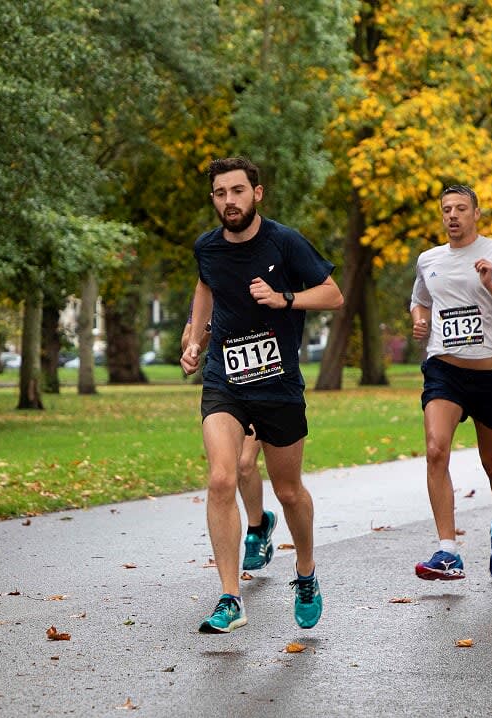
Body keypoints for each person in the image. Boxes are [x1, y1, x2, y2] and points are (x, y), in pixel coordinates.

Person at [181, 156, 343, 633]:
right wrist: (194, 341)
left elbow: (332, 294)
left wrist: (284, 299)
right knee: (220, 479)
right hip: (224, 381)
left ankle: (307, 573)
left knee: (289, 491)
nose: (228, 201)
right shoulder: (207, 248)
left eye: (237, 191)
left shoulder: (284, 242)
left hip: (278, 384)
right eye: (219, 193)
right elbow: (204, 297)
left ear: (257, 193)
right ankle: (230, 597)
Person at [409, 184, 492, 582]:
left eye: (460, 208)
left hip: (490, 375)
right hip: (444, 371)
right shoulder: (428, 259)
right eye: (446, 209)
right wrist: (419, 319)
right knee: (435, 451)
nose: (452, 215)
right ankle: (448, 551)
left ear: (476, 213)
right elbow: (421, 299)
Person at [181, 317, 276, 573]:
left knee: (246, 463)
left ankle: (257, 528)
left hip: (266, 384)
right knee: (225, 474)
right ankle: (258, 529)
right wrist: (209, 326)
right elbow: (188, 341)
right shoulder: (213, 281)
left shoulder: (266, 280)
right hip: (226, 391)